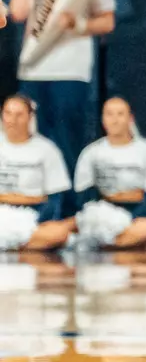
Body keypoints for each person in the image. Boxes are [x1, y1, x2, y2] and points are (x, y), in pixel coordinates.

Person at [8, 0, 116, 167]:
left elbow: (108, 21)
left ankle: (69, 204)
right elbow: (17, 12)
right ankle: (36, 201)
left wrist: (77, 24)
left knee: (67, 140)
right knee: (30, 139)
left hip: (70, 70)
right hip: (33, 69)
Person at [71, 96, 146, 250]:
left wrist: (129, 215)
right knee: (75, 224)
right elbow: (84, 196)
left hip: (136, 216)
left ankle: (106, 244)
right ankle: (118, 242)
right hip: (102, 215)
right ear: (103, 119)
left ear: (130, 118)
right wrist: (112, 203)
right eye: (109, 114)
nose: (115, 120)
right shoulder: (91, 152)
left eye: (120, 114)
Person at [0, 95, 73, 253]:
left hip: (32, 218)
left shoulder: (47, 149)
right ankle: (15, 244)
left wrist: (37, 220)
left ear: (30, 117)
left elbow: (55, 200)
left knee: (59, 233)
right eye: (8, 113)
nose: (12, 120)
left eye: (19, 115)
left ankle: (9, 243)